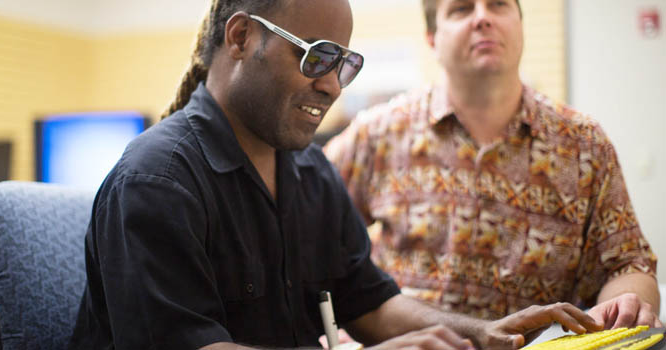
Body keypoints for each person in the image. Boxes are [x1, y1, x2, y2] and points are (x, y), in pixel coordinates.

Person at [68, 0, 603, 349]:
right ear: (240, 37)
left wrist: (482, 333)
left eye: (343, 65)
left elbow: (368, 303)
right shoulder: (156, 183)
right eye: (317, 58)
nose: (333, 87)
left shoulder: (308, 171)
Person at [324, 0, 661, 330]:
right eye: (461, 9)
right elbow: (309, 229)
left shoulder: (584, 144)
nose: (482, 17)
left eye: (498, 4)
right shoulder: (378, 134)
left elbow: (627, 264)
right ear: (432, 39)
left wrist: (625, 304)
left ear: (520, 25)